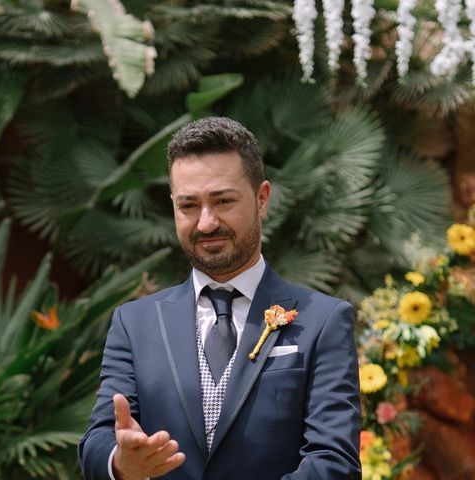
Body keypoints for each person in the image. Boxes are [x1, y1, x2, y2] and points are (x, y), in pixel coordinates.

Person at [78, 117, 361, 479]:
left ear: (262, 199)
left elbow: (333, 462)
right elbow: (98, 440)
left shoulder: (323, 320)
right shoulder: (134, 323)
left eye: (223, 201)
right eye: (188, 206)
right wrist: (120, 462)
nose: (206, 223)